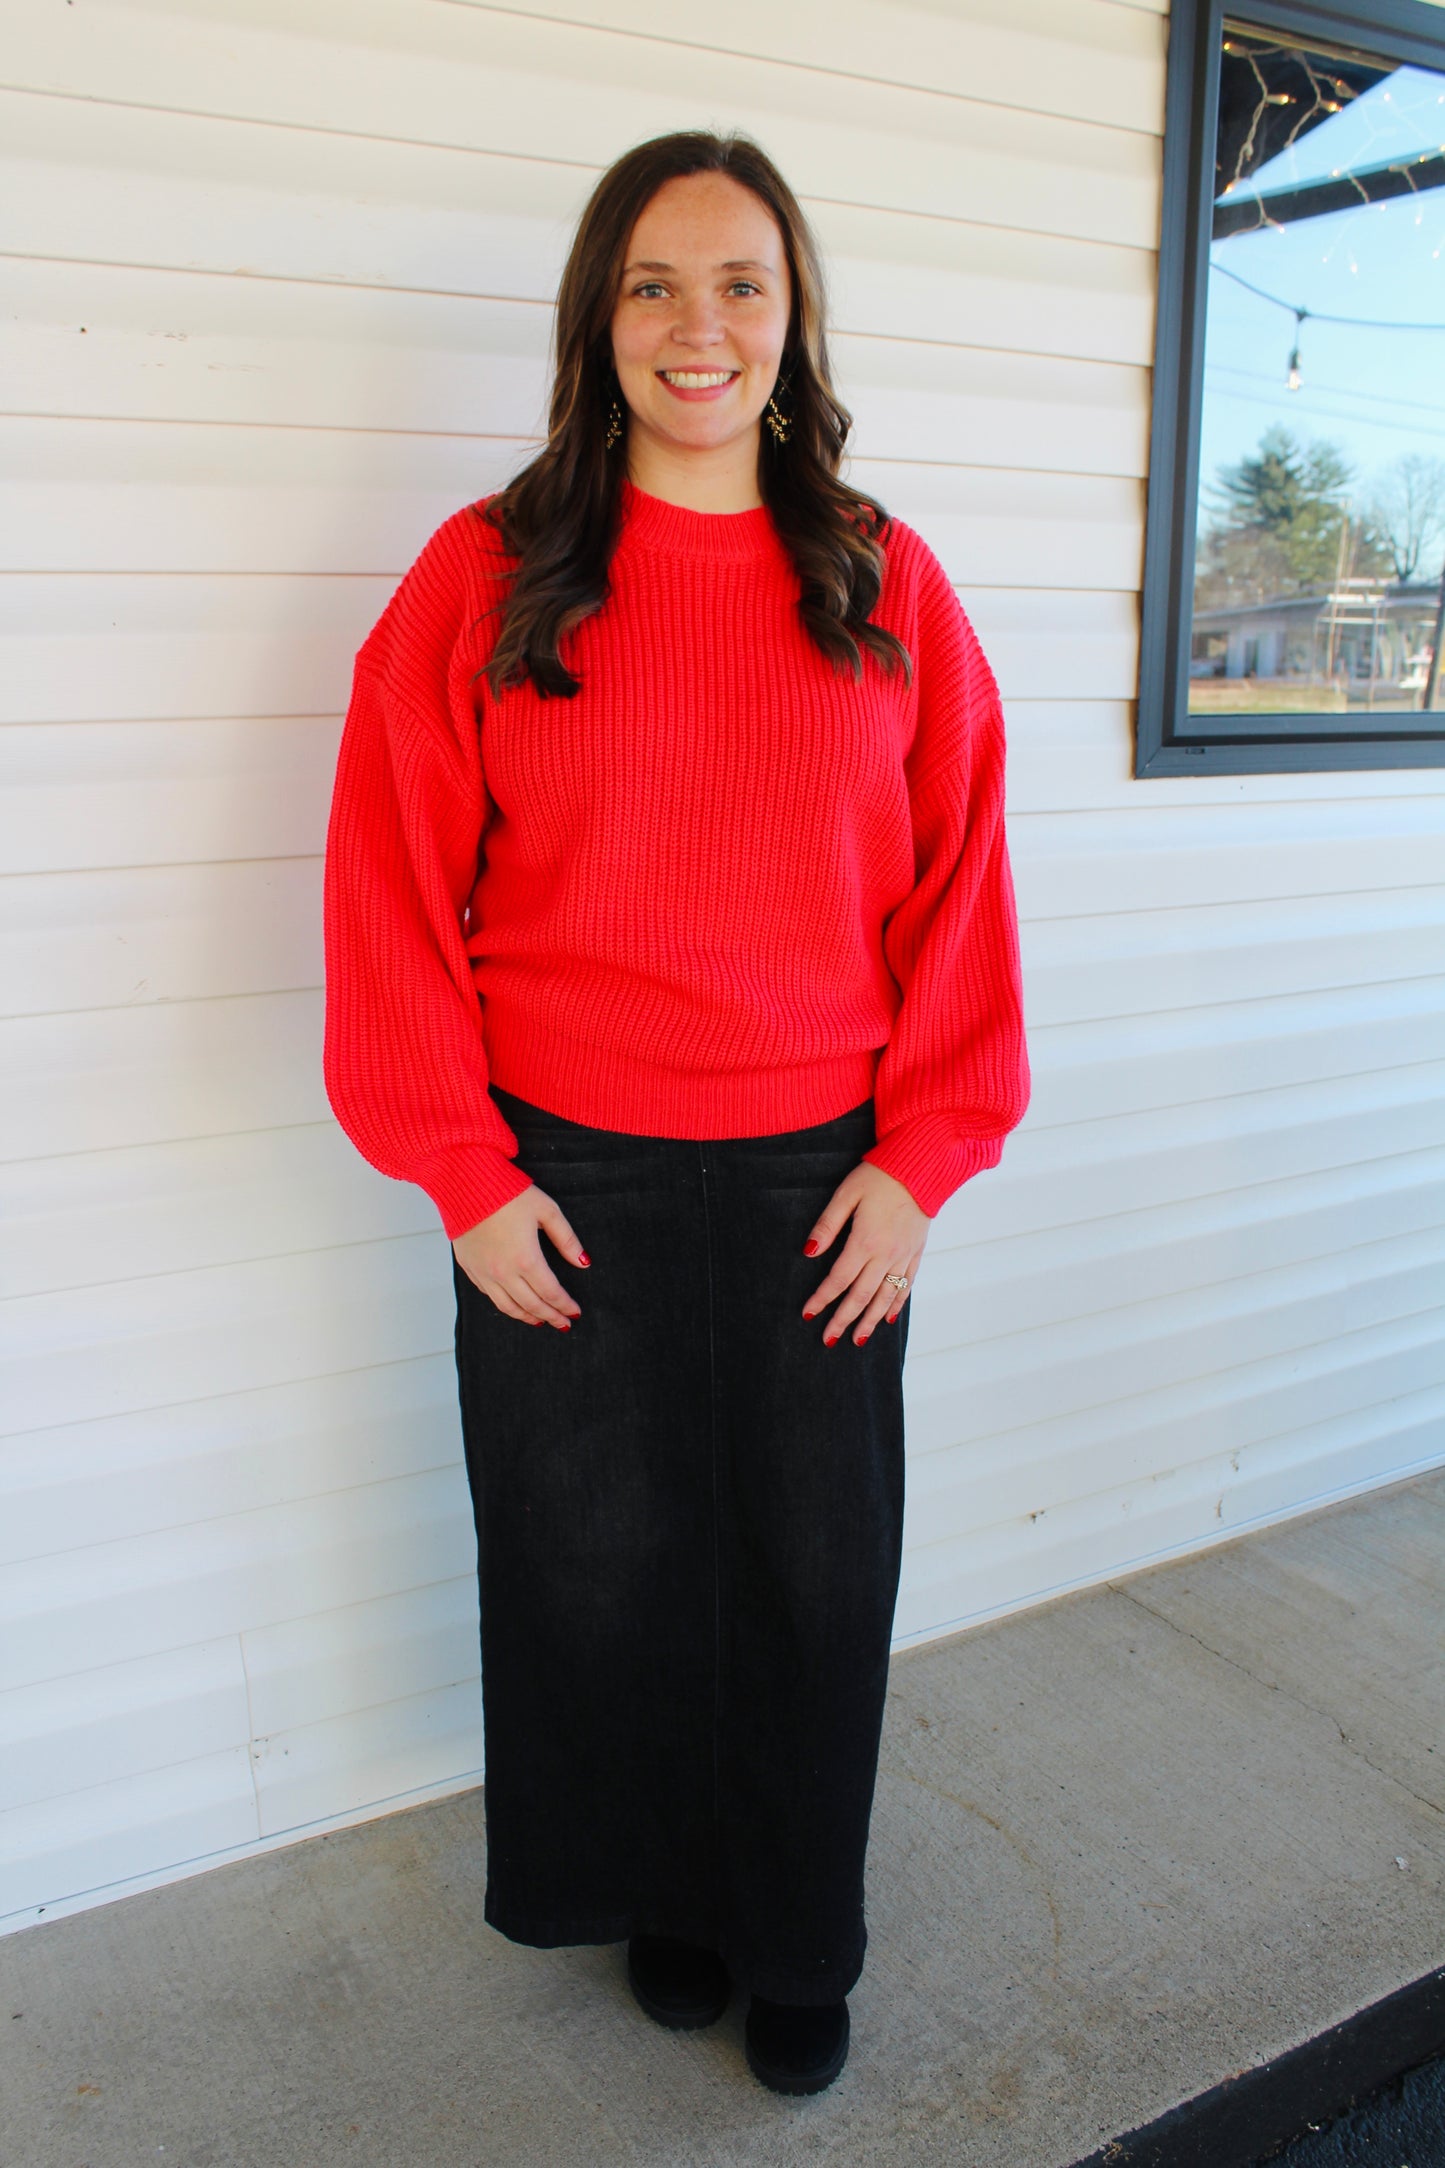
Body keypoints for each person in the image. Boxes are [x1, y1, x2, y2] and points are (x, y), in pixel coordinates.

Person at [321, 127, 1029, 2098]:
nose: (695, 324)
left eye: (739, 282)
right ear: (596, 317)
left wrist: (923, 1158)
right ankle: (669, 1900)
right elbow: (387, 881)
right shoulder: (491, 572)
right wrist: (461, 1173)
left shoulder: (881, 579)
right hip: (564, 1186)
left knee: (812, 1576)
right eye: (652, 281)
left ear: (793, 324)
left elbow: (961, 882)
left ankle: (798, 1930)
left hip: (825, 1188)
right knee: (599, 1571)